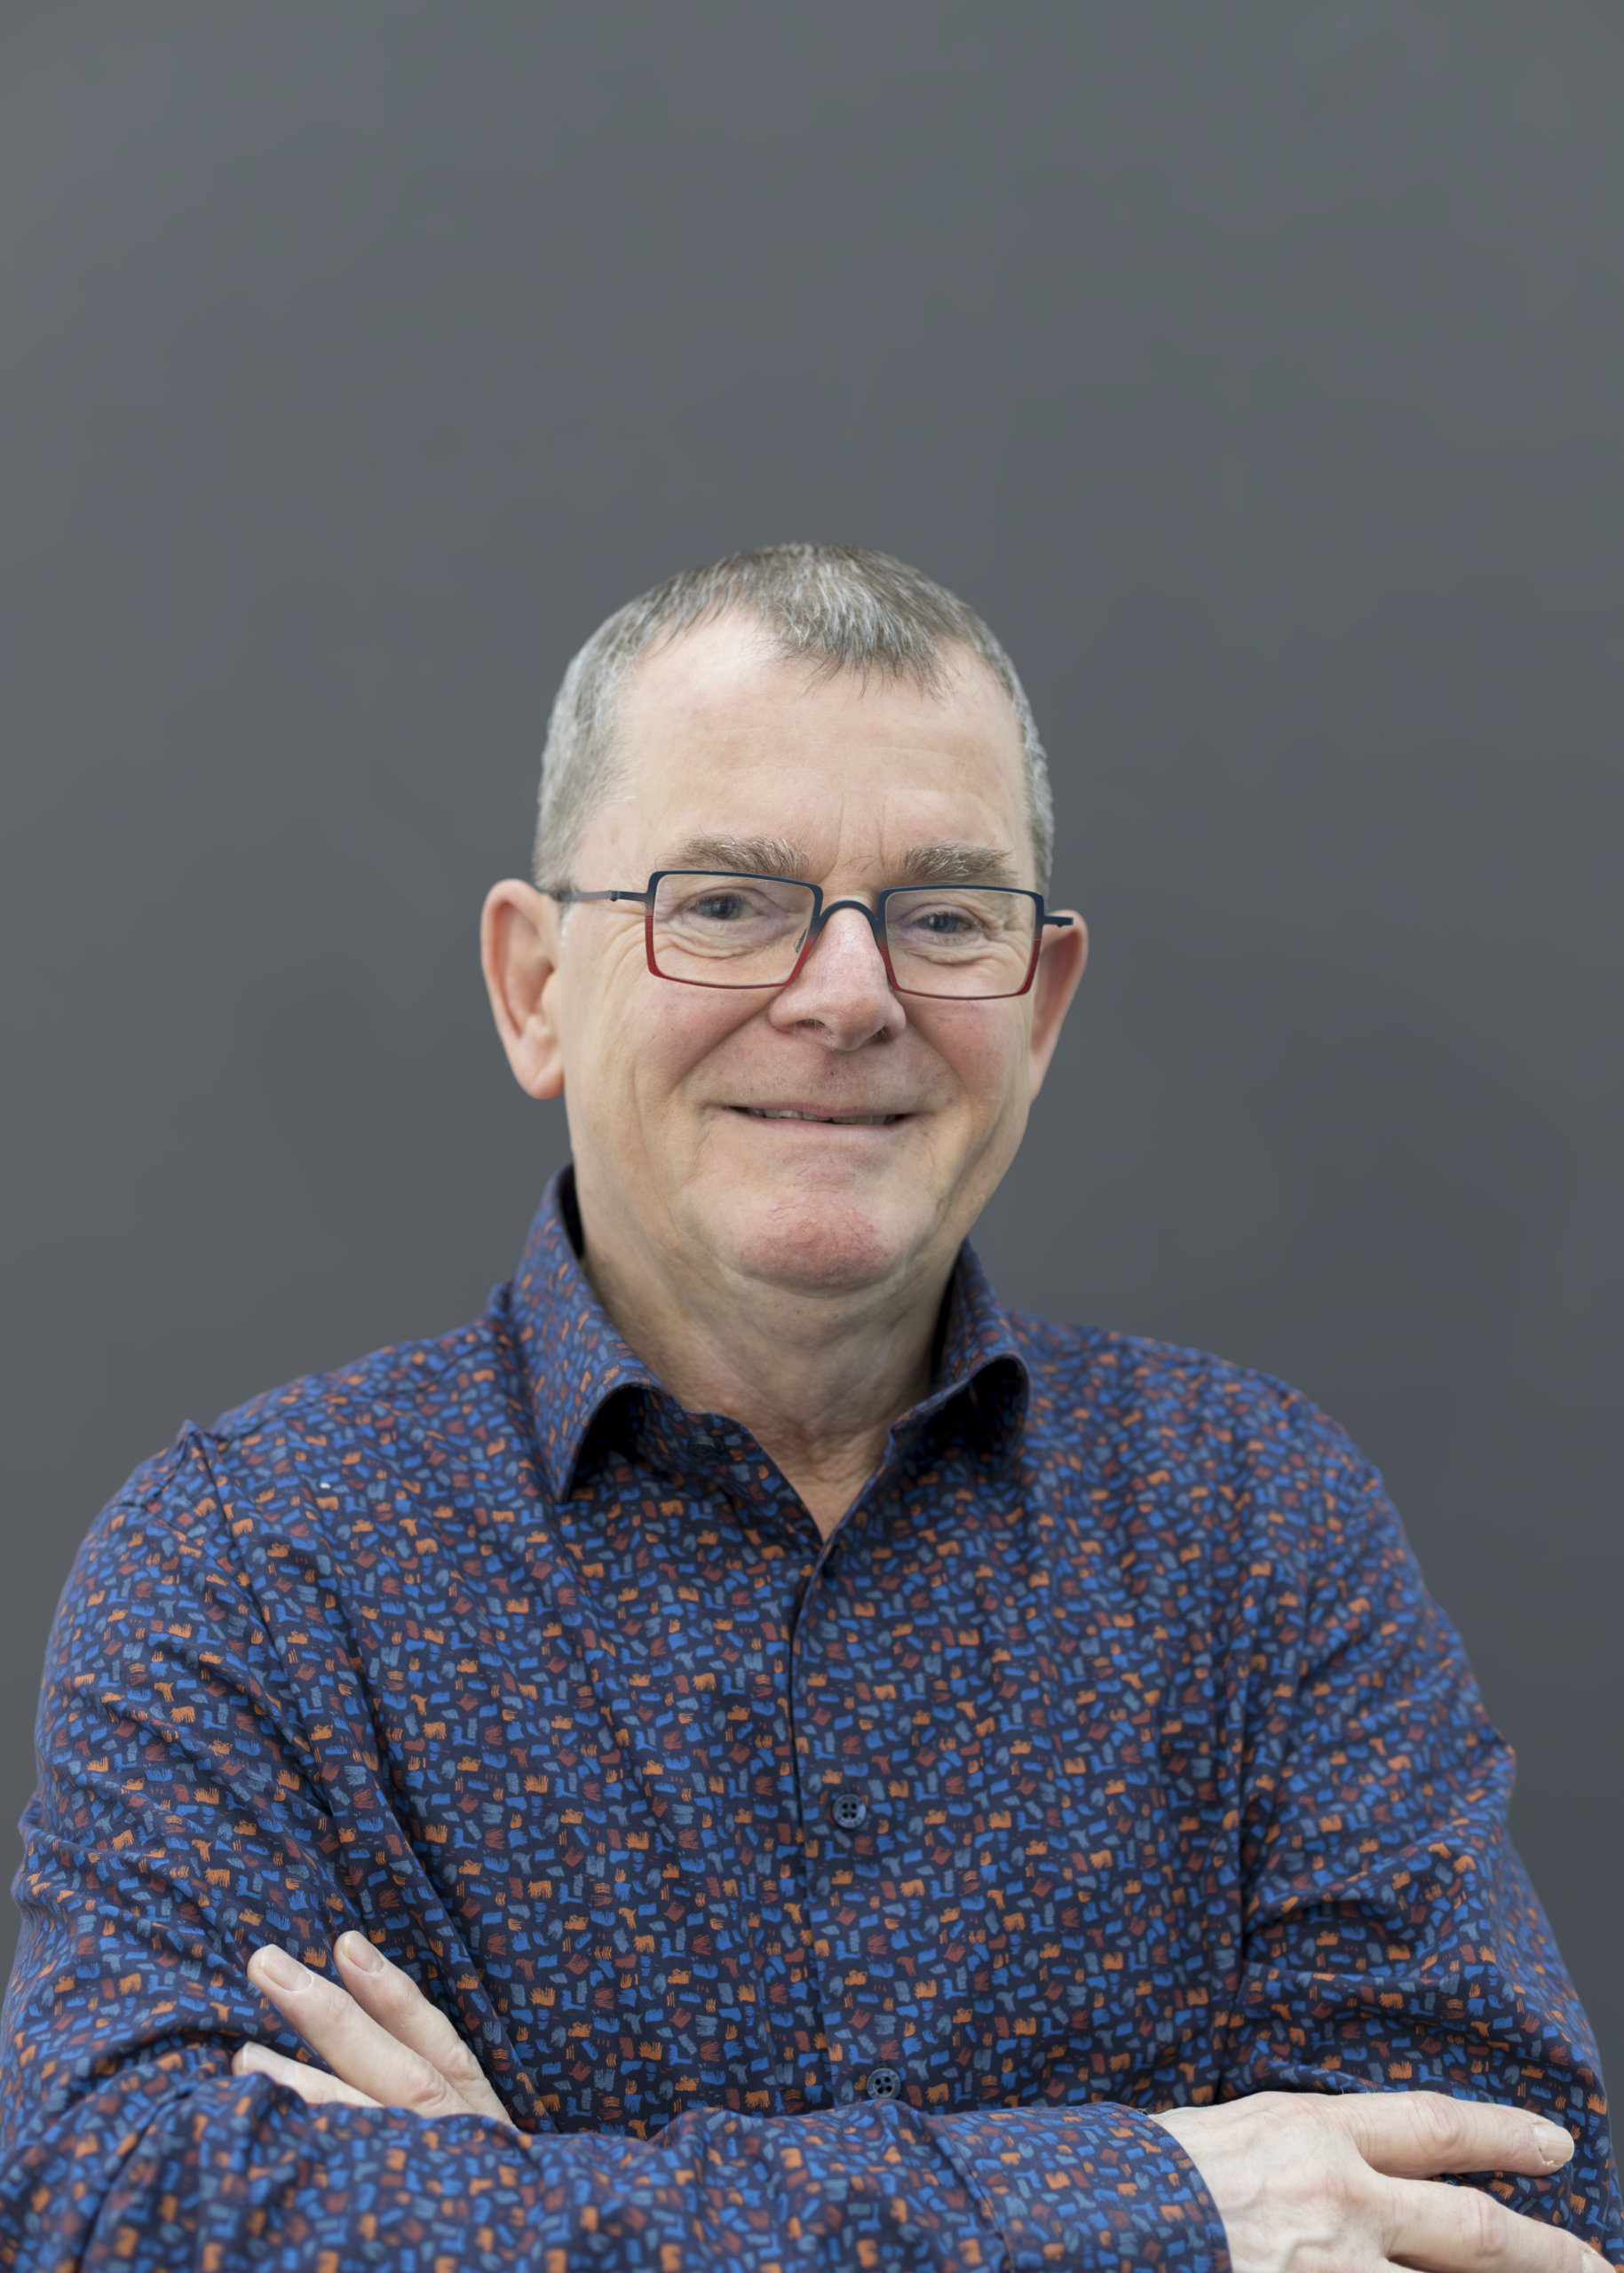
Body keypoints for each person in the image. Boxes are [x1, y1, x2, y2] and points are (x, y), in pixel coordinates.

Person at [0, 544, 1613, 2273]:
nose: (848, 995)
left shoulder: (1250, 1514)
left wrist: (520, 2211)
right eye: (723, 901)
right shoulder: (248, 1563)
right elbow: (113, 2207)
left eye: (946, 915)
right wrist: (1148, 2200)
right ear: (536, 988)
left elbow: (1511, 2213)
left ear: (1041, 1004)